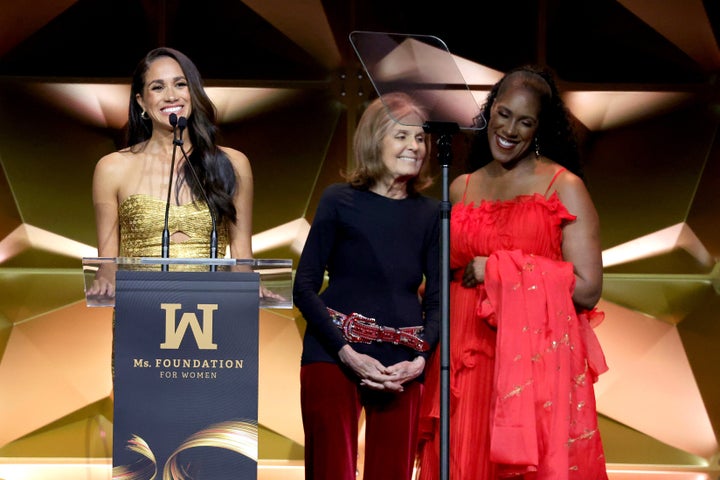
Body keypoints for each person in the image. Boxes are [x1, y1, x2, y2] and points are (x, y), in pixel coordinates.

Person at [415, 66, 609, 479]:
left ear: (540, 128)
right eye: (504, 114)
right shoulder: (460, 187)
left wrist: (499, 269)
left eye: (526, 122)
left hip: (529, 365)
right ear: (490, 112)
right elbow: (438, 274)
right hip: (461, 359)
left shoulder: (563, 184)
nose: (510, 129)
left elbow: (589, 289)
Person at [293, 92, 441, 480]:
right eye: (402, 136)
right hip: (333, 354)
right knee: (330, 471)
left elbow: (439, 300)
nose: (415, 146)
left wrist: (420, 362)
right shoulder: (338, 200)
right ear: (374, 140)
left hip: (402, 364)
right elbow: (304, 287)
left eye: (420, 138)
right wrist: (347, 353)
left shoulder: (432, 213)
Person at [88, 46, 254, 295]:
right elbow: (108, 263)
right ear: (141, 101)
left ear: (194, 92)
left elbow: (243, 259)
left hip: (212, 314)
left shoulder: (232, 162)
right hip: (142, 313)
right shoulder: (112, 168)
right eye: (157, 87)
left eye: (180, 84)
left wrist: (254, 291)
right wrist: (104, 279)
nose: (171, 96)